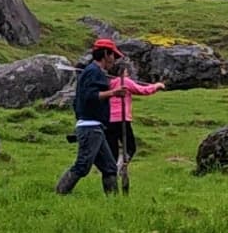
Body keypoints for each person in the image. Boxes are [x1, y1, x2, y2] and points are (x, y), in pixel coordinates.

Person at [56, 37, 122, 194]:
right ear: (106, 54)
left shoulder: (93, 72)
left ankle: (115, 203)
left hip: (95, 127)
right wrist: (113, 93)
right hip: (90, 127)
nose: (114, 60)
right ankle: (60, 193)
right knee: (83, 165)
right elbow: (90, 96)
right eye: (114, 55)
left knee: (109, 167)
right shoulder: (93, 72)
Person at [101, 41, 162, 186]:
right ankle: (122, 166)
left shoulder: (108, 83)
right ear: (122, 73)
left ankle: (113, 171)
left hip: (109, 119)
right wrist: (157, 86)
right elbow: (142, 90)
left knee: (113, 149)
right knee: (130, 147)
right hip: (122, 119)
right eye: (127, 72)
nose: (128, 74)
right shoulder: (125, 82)